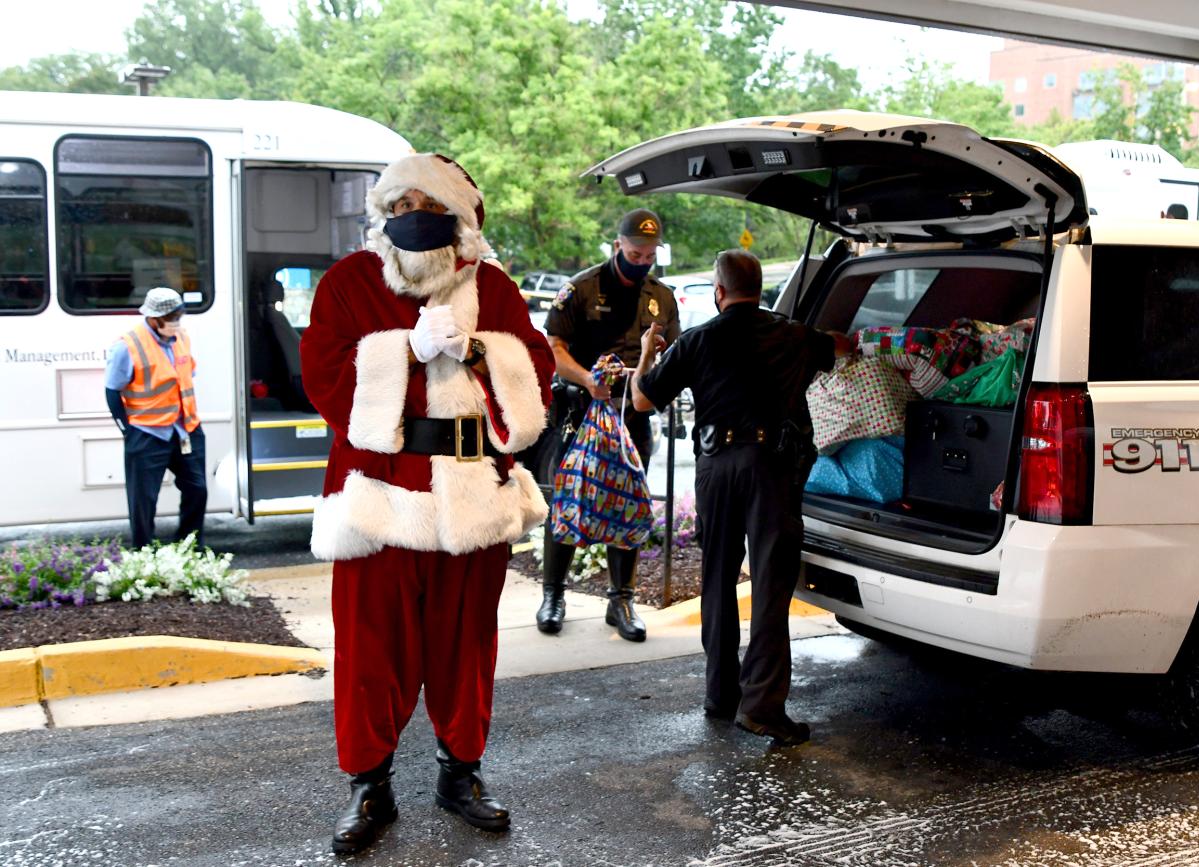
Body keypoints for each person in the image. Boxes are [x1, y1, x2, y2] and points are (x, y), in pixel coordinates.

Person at [300, 153, 554, 854]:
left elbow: (533, 377)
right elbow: (323, 377)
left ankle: (460, 772)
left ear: (462, 220)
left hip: (471, 499)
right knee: (370, 649)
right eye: (399, 204)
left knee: (466, 645)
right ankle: (369, 783)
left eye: (426, 204)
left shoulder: (494, 288)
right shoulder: (349, 282)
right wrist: (402, 351)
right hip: (380, 495)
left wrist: (477, 352)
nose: (410, 215)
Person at [630, 249, 852, 746]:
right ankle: (763, 708)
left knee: (718, 579)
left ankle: (720, 695)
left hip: (715, 469)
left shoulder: (697, 340)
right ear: (759, 290)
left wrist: (648, 351)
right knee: (771, 586)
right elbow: (841, 347)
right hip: (771, 469)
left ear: (719, 291)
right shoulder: (793, 335)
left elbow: (642, 399)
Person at [535, 208, 680, 640]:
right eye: (635, 252)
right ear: (617, 245)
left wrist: (653, 368)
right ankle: (553, 595)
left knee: (629, 502)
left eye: (650, 254)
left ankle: (622, 601)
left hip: (632, 415)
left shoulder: (661, 296)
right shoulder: (580, 289)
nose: (642, 261)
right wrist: (586, 379)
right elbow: (554, 348)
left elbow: (672, 353)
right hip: (581, 411)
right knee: (566, 496)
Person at [104, 287, 207, 550]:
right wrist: (127, 430)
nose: (175, 323)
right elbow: (112, 391)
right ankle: (144, 553)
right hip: (148, 433)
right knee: (143, 500)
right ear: (153, 318)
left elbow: (185, 376)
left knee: (197, 489)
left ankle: (188, 547)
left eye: (178, 317)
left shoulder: (182, 337)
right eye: (170, 318)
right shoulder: (127, 346)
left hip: (185, 429)